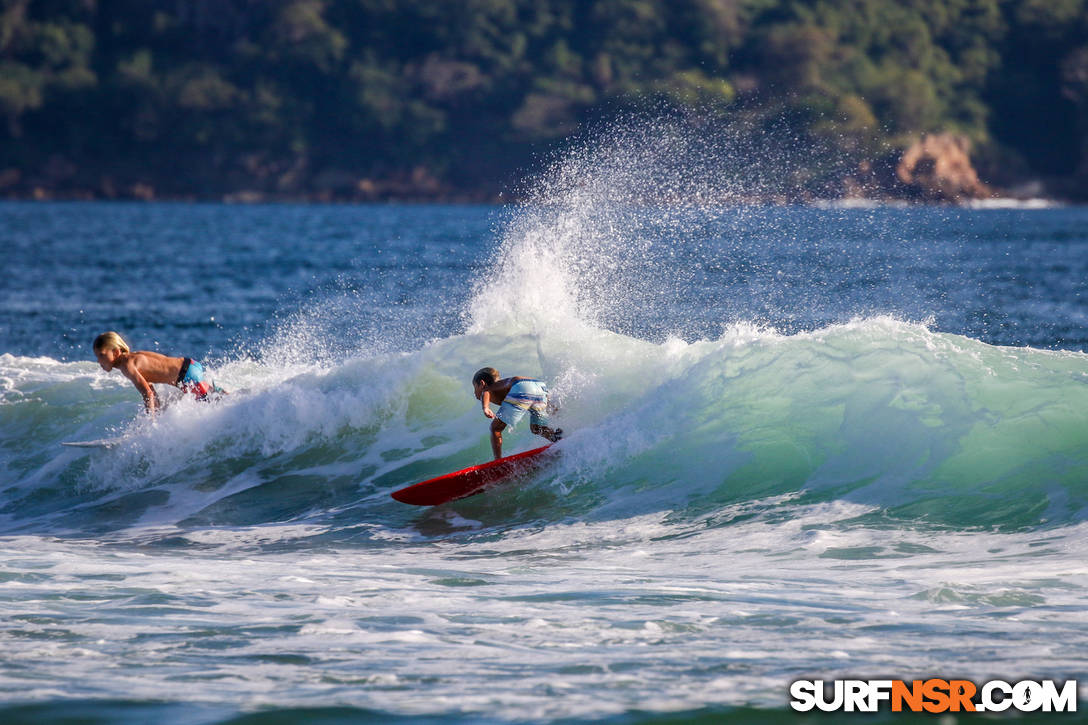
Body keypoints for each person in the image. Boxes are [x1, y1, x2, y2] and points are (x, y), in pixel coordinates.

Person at [92, 331, 226, 414]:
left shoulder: (127, 366)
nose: (99, 361)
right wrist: (158, 414)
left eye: (102, 355)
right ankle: (242, 398)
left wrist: (149, 426)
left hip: (186, 376)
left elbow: (147, 394)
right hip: (189, 366)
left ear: (115, 352)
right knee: (220, 398)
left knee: (214, 406)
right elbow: (151, 390)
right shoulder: (131, 358)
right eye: (97, 356)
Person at [472, 367, 562, 459]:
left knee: (495, 428)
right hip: (539, 387)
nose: (474, 392)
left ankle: (497, 460)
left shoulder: (489, 388)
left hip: (521, 386)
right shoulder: (502, 385)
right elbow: (532, 389)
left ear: (482, 384)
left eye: (474, 387)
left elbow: (486, 391)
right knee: (537, 428)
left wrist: (485, 408)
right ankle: (559, 439)